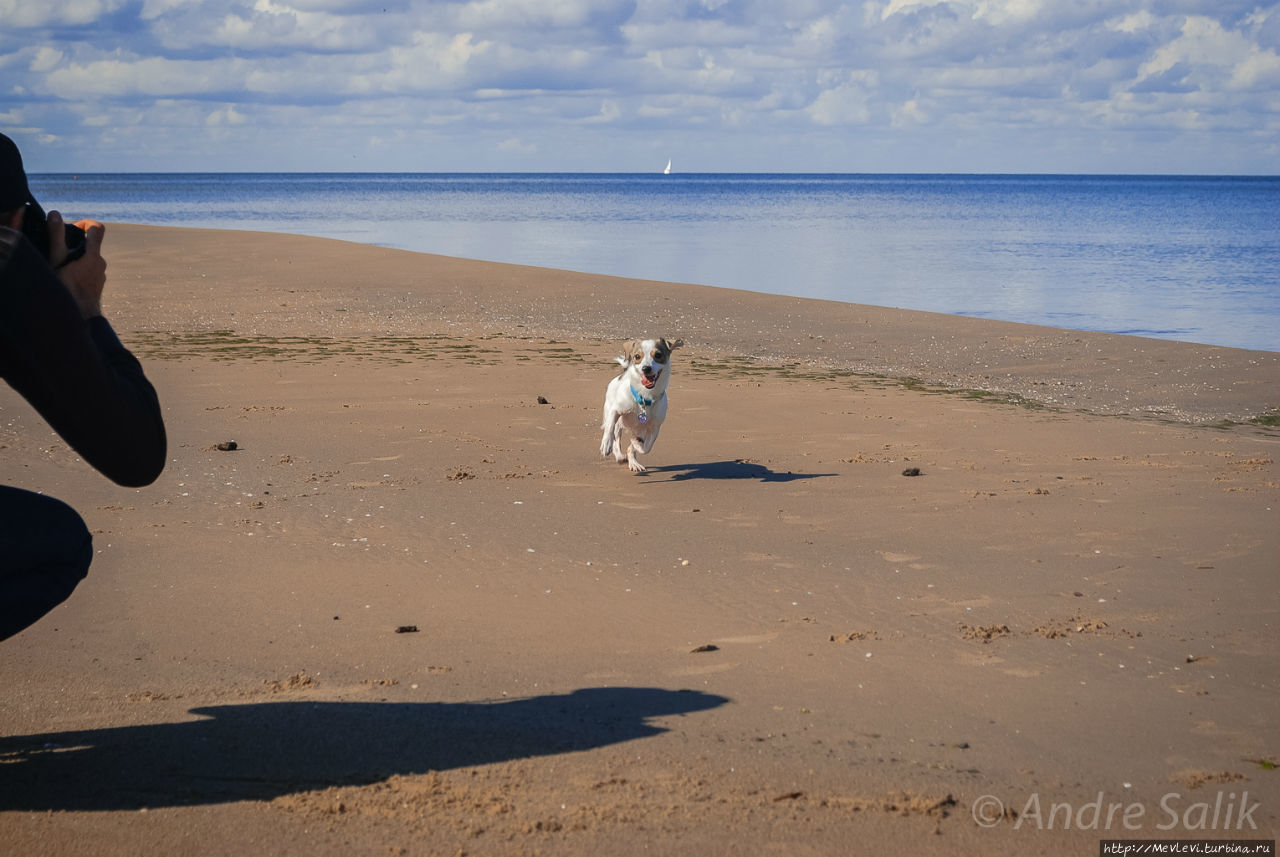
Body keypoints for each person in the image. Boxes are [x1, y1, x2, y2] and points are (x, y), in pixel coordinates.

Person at [0, 132, 166, 641]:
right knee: (61, 543)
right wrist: (83, 306)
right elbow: (136, 454)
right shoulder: (6, 260)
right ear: (19, 218)